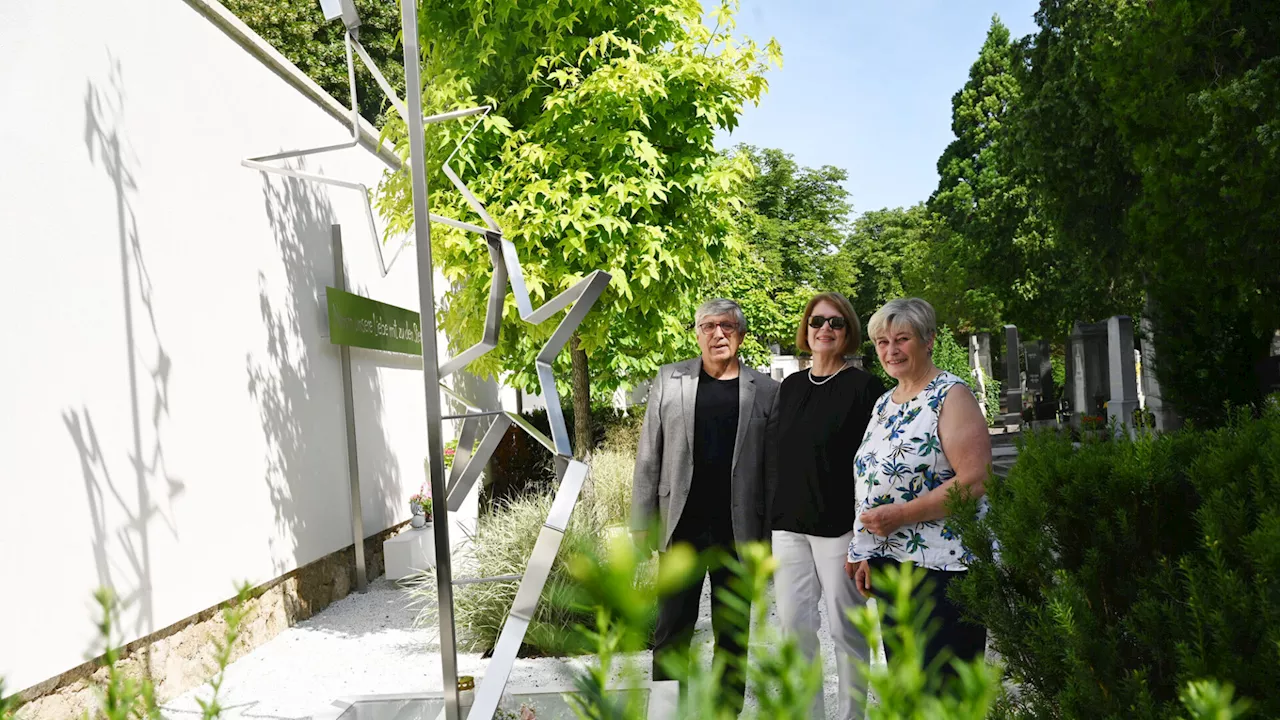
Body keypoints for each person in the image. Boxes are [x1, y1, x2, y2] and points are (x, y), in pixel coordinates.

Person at [631, 297, 780, 713]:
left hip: (739, 532)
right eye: (709, 326)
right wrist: (641, 520)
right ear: (696, 333)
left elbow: (772, 472)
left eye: (728, 326)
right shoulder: (669, 379)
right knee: (671, 631)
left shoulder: (766, 391)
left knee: (733, 635)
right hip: (681, 528)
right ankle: (665, 712)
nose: (718, 334)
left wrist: (768, 536)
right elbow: (649, 454)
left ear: (741, 335)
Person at [846, 297, 991, 669]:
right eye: (882, 341)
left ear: (929, 340)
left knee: (944, 687)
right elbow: (870, 482)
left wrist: (902, 515)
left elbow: (975, 480)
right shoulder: (885, 403)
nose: (891, 350)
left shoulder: (951, 395)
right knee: (908, 686)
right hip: (892, 563)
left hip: (944, 568)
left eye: (902, 339)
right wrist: (865, 550)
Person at [768, 291, 886, 720]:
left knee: (846, 631)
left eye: (836, 323)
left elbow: (875, 463)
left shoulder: (865, 387)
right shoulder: (791, 386)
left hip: (841, 529)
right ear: (806, 329)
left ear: (849, 332)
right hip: (789, 528)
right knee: (795, 631)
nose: (825, 330)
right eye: (817, 321)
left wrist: (866, 539)